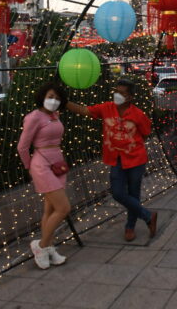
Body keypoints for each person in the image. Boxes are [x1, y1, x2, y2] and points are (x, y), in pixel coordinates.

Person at [66, 79, 158, 242]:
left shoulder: (137, 114)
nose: (117, 95)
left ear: (130, 97)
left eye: (122, 93)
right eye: (116, 91)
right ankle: (147, 215)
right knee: (117, 193)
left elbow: (145, 132)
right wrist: (63, 101)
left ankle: (130, 227)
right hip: (116, 159)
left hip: (136, 159)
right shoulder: (106, 108)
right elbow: (84, 110)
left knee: (133, 194)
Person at [18, 82, 71, 269]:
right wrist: (29, 167)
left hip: (57, 163)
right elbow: (22, 146)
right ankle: (40, 246)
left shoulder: (55, 115)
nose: (53, 101)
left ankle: (48, 247)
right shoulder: (34, 117)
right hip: (41, 165)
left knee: (50, 210)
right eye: (50, 97)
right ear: (42, 97)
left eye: (57, 98)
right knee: (63, 208)